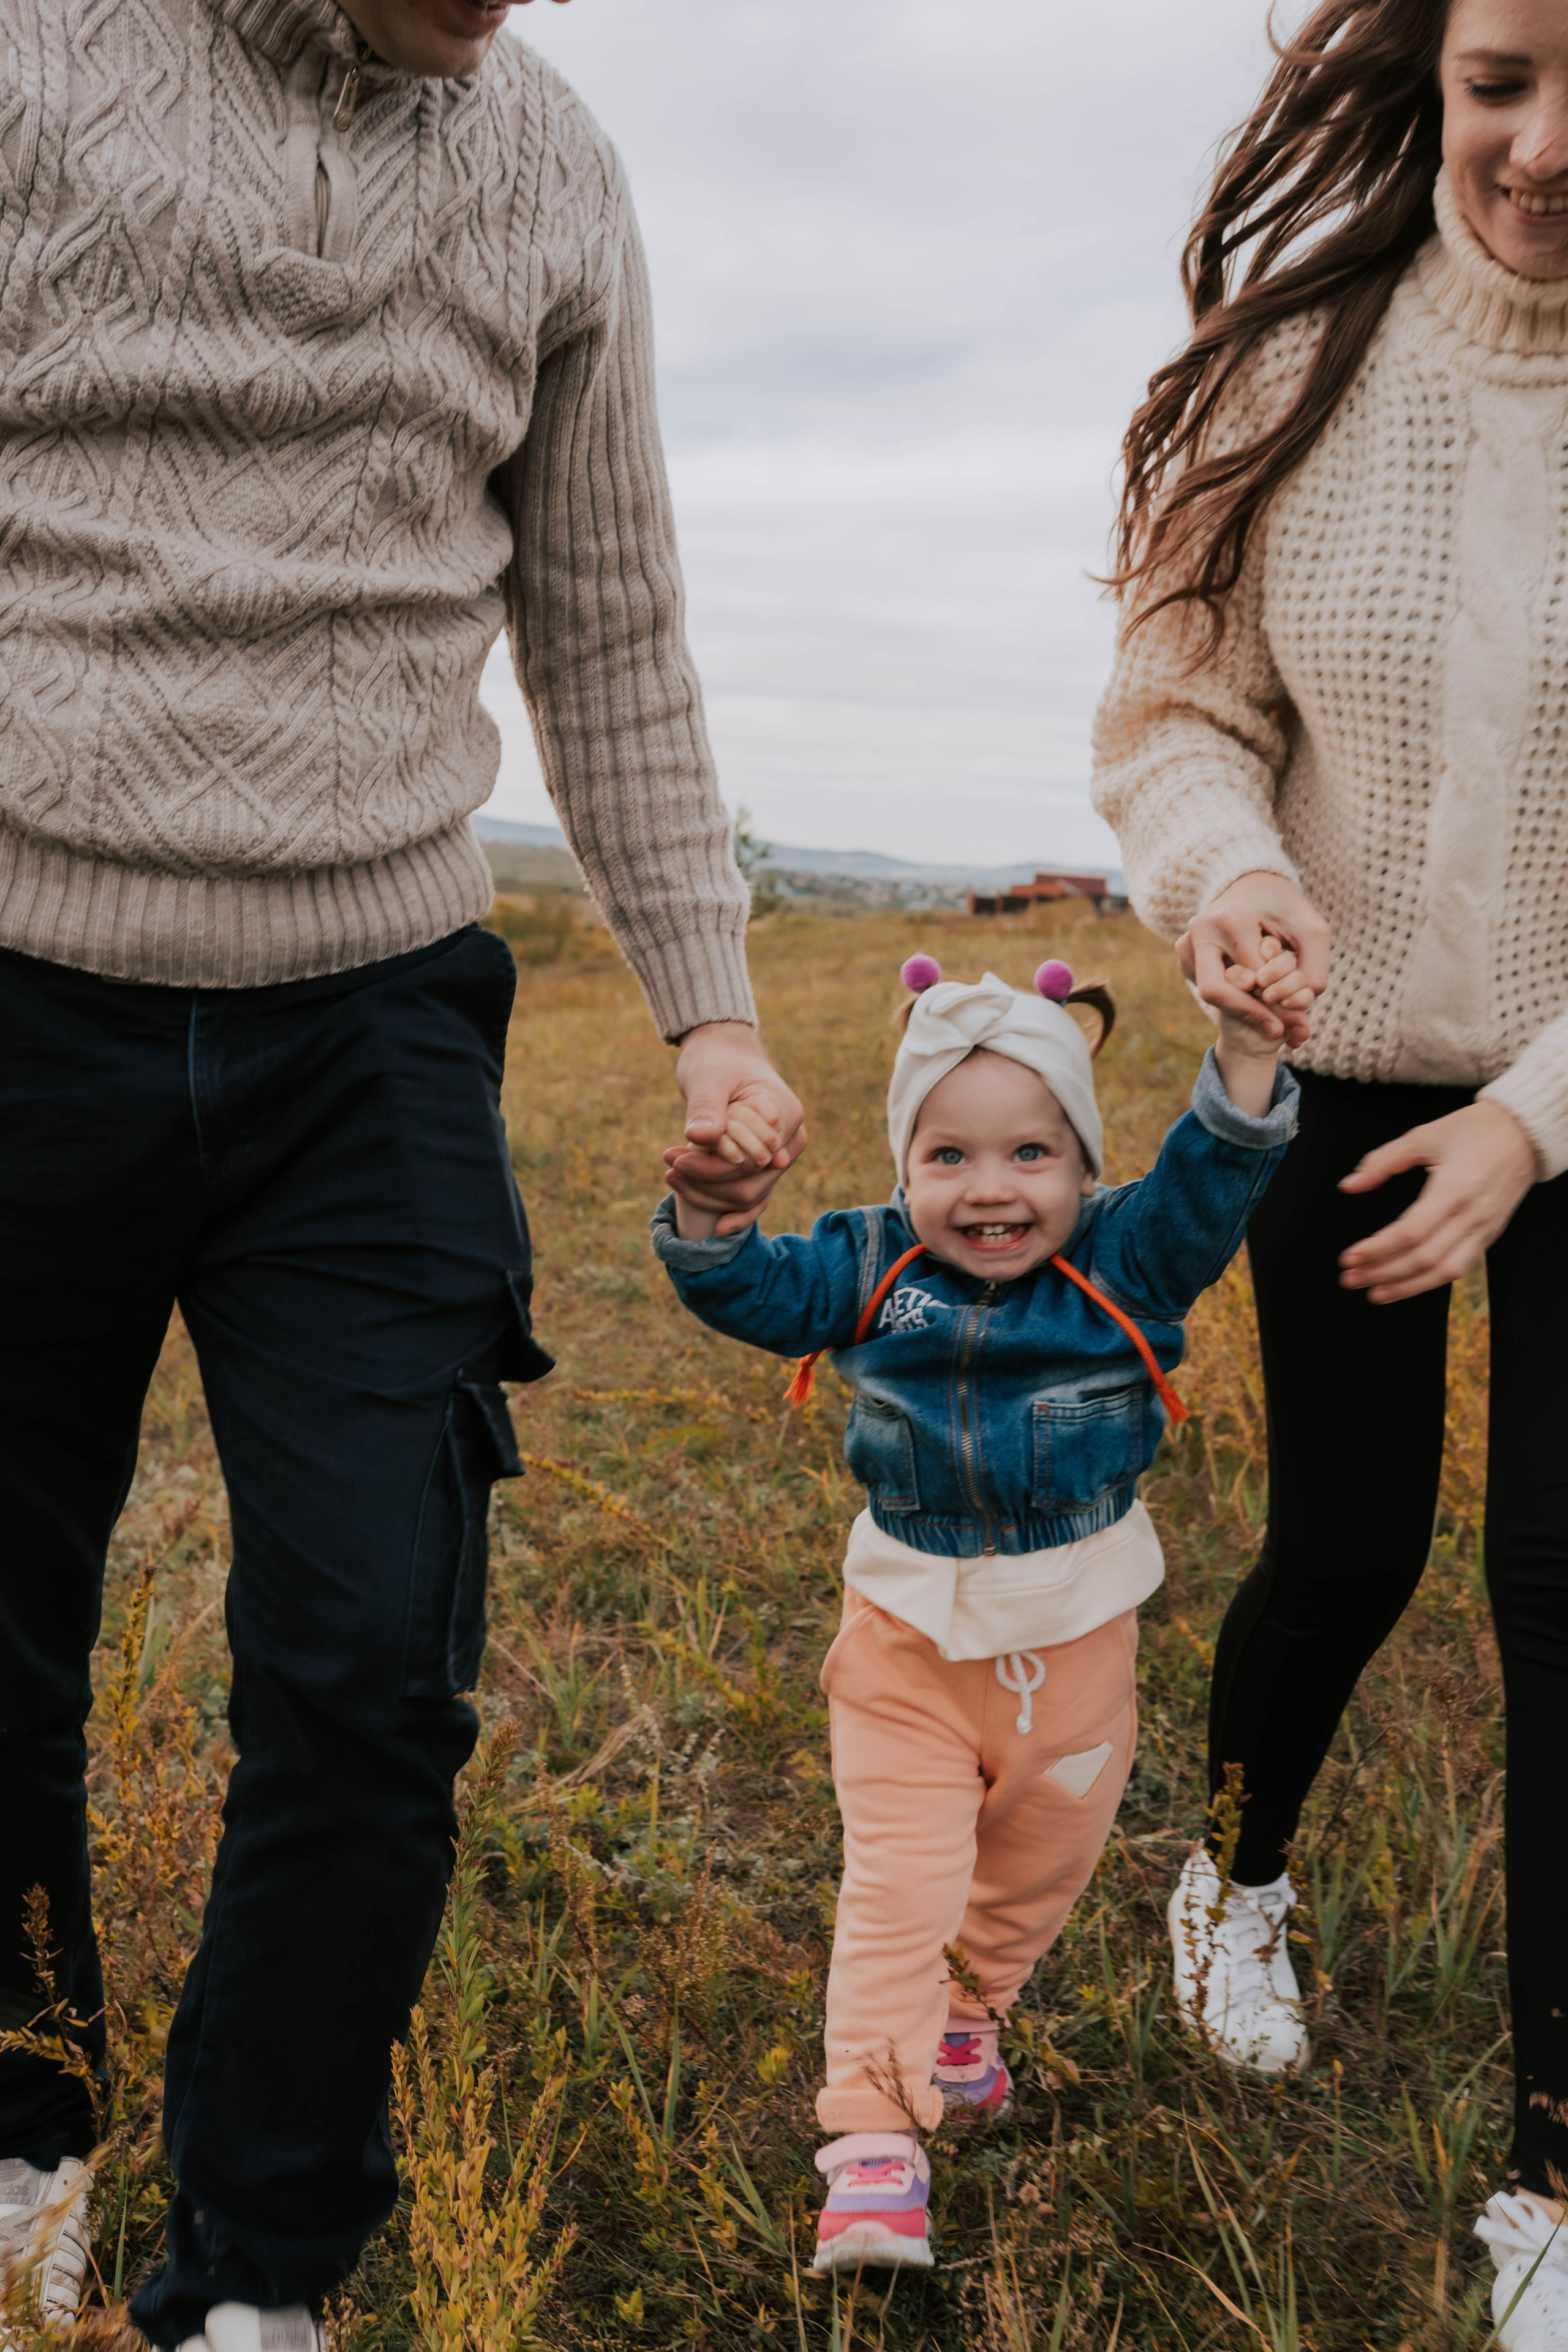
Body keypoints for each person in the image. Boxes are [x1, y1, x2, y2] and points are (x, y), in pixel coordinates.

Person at [0, 0, 805, 2342]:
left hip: (371, 1021)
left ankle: (264, 2269)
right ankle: (24, 2120)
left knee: (372, 1664)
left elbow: (610, 615)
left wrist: (716, 1002)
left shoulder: (554, 165)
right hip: (21, 978)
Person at [1093, 0, 1568, 2339]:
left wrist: (1538, 1116)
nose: (1545, 147)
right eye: (1504, 81)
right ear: (1437, 78)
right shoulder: (1298, 369)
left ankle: (1563, 2193)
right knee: (1358, 1537)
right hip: (1348, 1062)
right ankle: (1238, 1878)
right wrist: (1225, 877)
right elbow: (1180, 705)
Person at [652, 948, 1303, 2272]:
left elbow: (1211, 1179)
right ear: (903, 1166)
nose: (990, 1191)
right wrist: (717, 1223)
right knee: (898, 1885)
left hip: (1074, 1648)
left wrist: (1244, 1058)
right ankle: (874, 2149)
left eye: (1029, 1156)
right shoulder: (868, 1263)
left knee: (1029, 1877)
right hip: (905, 1648)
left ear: (1079, 1166)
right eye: (945, 1156)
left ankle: (970, 2018)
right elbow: (751, 1293)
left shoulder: (1130, 1256)